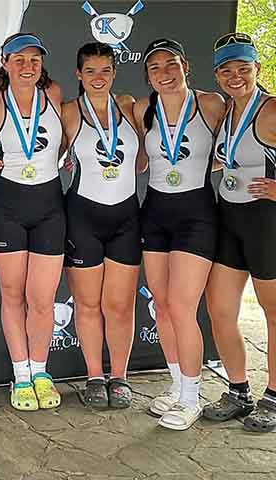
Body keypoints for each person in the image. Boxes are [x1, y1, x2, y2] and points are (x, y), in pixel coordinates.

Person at [134, 38, 225, 430]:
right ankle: (176, 384)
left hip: (196, 214)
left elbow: (242, 139)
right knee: (163, 304)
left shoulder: (211, 104)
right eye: (155, 68)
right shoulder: (142, 108)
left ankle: (192, 397)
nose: (164, 73)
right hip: (154, 212)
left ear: (185, 65)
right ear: (148, 76)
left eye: (170, 64)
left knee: (183, 306)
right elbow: (137, 156)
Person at [0, 33, 65, 411]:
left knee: (43, 299)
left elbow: (65, 145)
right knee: (13, 295)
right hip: (7, 206)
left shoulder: (56, 96)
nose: (28, 66)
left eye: (34, 60)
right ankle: (21, 374)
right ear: (4, 63)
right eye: (19, 60)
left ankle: (41, 371)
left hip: (49, 205)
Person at [61, 42, 143, 410]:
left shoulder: (130, 107)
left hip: (125, 216)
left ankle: (120, 377)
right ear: (78, 74)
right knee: (88, 303)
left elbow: (148, 155)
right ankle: (95, 375)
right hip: (83, 216)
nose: (98, 78)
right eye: (90, 71)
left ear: (114, 72)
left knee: (121, 305)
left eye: (105, 70)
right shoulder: (67, 112)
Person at [203, 32, 276, 433]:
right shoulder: (226, 113)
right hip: (229, 218)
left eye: (243, 69)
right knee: (220, 309)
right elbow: (220, 161)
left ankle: (275, 398)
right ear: (217, 75)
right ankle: (238, 390)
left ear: (257, 69)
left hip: (267, 222)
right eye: (227, 70)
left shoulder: (270, 110)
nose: (235, 77)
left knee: (274, 313)